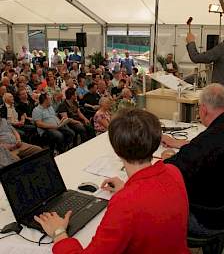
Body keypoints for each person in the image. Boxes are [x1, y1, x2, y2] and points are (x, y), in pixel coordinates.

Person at [34, 108, 190, 254]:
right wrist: (127, 189)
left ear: (115, 149)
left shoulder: (125, 203)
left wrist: (59, 233)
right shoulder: (173, 171)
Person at [162, 83, 224, 235]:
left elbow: (170, 170)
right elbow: (213, 148)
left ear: (203, 110)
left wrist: (167, 157)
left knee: (152, 207)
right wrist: (182, 143)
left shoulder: (209, 141)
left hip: (207, 219)